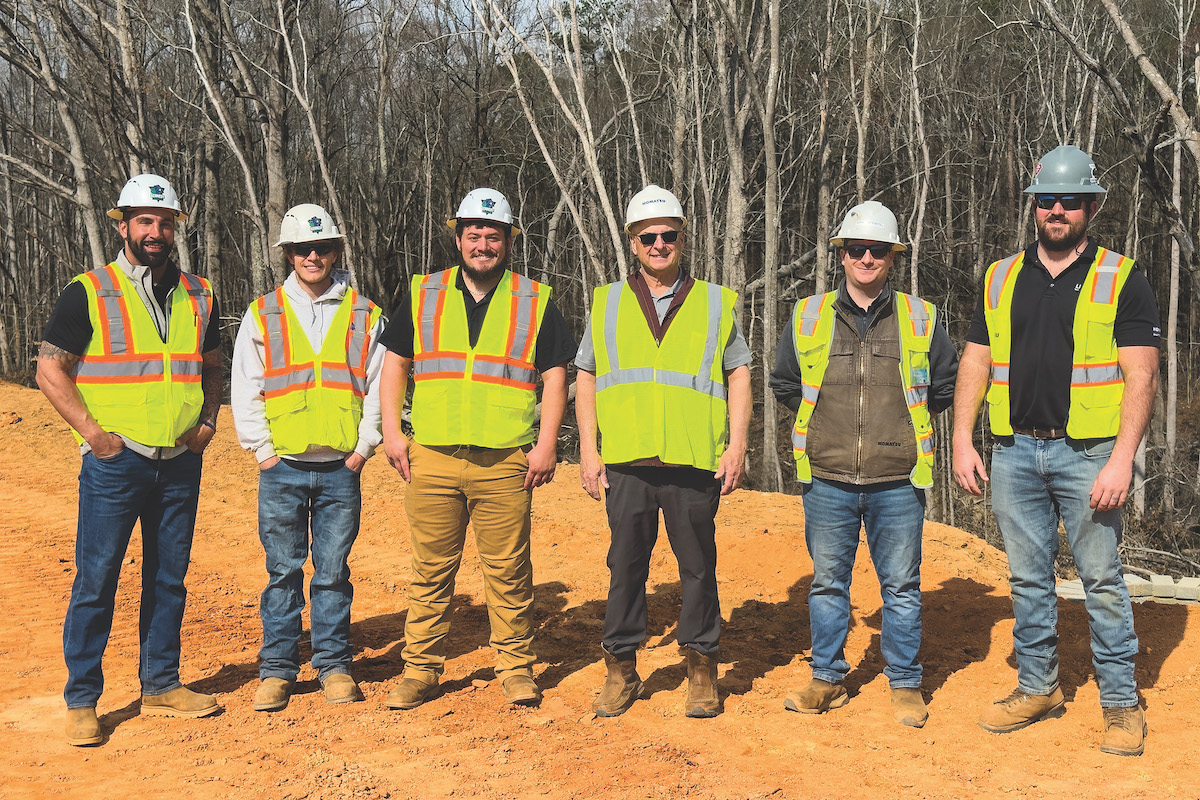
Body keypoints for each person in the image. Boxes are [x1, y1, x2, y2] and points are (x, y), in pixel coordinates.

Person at [952, 145, 1160, 756]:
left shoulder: (1121, 277)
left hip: (1089, 456)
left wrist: (1122, 459)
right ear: (1034, 206)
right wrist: (962, 438)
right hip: (1015, 452)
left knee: (1101, 579)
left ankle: (1120, 704)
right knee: (1028, 580)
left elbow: (1143, 374)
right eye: (1047, 200)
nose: (1057, 210)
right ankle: (1038, 687)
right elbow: (976, 360)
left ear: (1091, 206)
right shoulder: (1000, 276)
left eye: (1071, 200)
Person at [36, 173, 224, 746]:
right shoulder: (90, 291)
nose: (155, 231)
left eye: (165, 222)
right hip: (116, 464)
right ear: (123, 226)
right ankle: (82, 701)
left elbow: (213, 366)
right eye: (144, 221)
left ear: (175, 229)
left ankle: (161, 684)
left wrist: (208, 422)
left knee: (169, 578)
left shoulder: (200, 294)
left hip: (180, 460)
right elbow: (49, 368)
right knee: (96, 579)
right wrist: (94, 436)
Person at [379, 188, 575, 709]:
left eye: (493, 235)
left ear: (509, 241)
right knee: (430, 572)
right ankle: (420, 670)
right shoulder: (424, 292)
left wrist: (547, 444)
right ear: (458, 238)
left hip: (506, 460)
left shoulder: (535, 300)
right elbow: (395, 363)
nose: (482, 244)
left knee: (509, 573)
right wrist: (392, 433)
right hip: (433, 457)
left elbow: (556, 375)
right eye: (473, 234)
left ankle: (516, 668)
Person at [769, 200, 957, 728]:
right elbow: (784, 381)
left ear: (893, 256)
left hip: (898, 480)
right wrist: (824, 426)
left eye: (877, 249)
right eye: (857, 249)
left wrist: (898, 426)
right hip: (827, 477)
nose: (866, 258)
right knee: (829, 585)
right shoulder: (808, 315)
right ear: (842, 255)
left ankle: (905, 684)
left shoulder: (920, 317)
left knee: (901, 588)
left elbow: (944, 384)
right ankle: (826, 679)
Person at [576, 184, 752, 719]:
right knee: (625, 566)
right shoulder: (607, 302)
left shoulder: (715, 303)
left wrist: (737, 446)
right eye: (648, 237)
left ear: (683, 238)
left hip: (693, 459)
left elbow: (739, 373)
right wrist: (589, 450)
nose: (659, 245)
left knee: (698, 567)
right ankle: (621, 669)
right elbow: (586, 374)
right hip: (627, 460)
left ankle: (701, 669)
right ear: (632, 241)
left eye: (668, 236)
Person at [232, 204, 385, 711]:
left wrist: (363, 449)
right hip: (283, 468)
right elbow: (246, 385)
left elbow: (379, 385)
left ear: (335, 251)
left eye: (321, 248)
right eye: (302, 249)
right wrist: (263, 452)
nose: (312, 257)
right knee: (282, 572)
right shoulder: (264, 312)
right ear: (288, 254)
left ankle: (334, 666)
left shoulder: (365, 314)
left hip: (341, 468)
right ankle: (277, 670)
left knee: (333, 573)